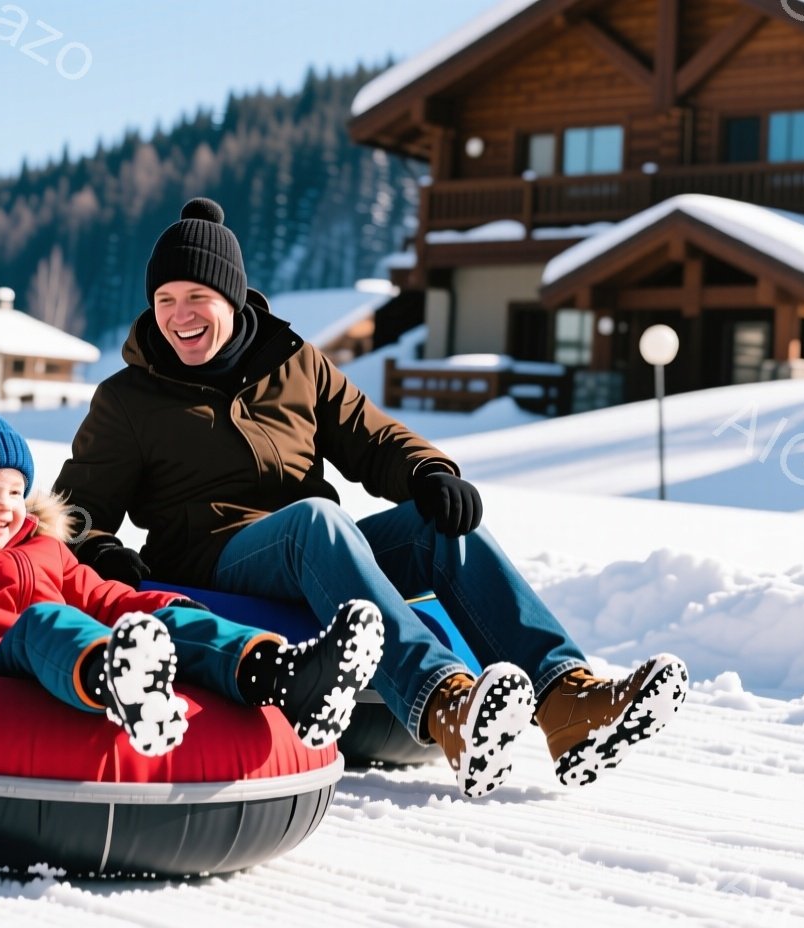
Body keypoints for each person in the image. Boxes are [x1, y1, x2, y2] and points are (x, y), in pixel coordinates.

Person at [53, 198, 688, 796]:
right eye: (165, 299)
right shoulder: (128, 399)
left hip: (318, 549)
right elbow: (75, 510)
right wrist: (102, 550)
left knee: (438, 528)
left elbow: (372, 437)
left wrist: (428, 473)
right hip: (215, 560)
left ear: (233, 297)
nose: (180, 315)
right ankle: (443, 701)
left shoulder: (295, 364)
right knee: (317, 520)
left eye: (197, 296)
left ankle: (568, 698)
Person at [0, 373, 384, 757]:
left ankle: (283, 675)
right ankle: (121, 680)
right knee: (45, 621)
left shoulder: (46, 549)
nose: (4, 506)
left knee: (160, 619)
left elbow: (105, 597)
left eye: (14, 490)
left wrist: (169, 608)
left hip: (71, 655)